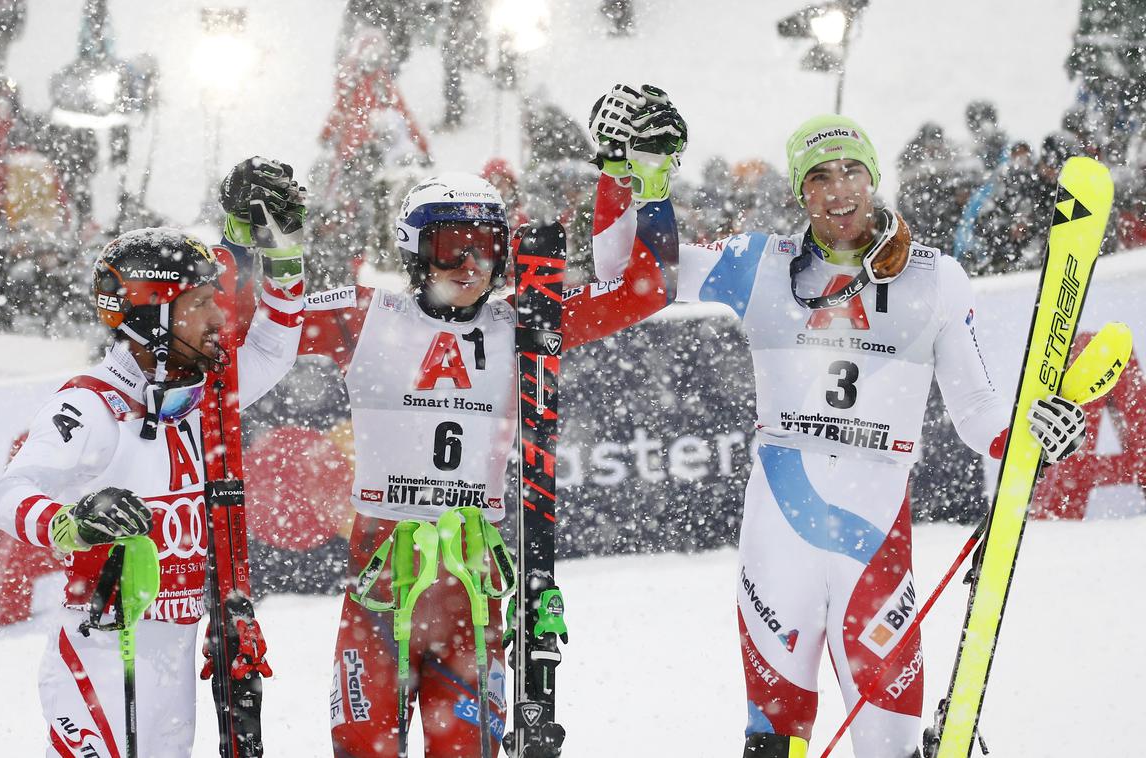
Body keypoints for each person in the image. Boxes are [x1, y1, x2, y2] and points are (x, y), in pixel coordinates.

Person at [588, 90, 1089, 757]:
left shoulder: (937, 277)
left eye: (851, 169)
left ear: (874, 177)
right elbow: (624, 275)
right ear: (802, 194)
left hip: (873, 541)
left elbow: (976, 410)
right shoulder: (759, 264)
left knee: (890, 746)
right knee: (773, 743)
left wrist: (1030, 434)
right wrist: (630, 178)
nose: (838, 189)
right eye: (818, 177)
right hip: (778, 538)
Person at [298, 168, 674, 756]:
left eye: (489, 245)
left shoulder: (527, 321)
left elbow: (646, 288)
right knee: (362, 748)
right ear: (414, 248)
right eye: (451, 244)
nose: (470, 262)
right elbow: (245, 322)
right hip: (381, 580)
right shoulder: (366, 314)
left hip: (472, 587)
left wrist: (634, 178)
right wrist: (249, 242)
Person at [0, 159, 307, 757]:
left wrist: (283, 259)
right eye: (199, 306)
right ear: (149, 319)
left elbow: (274, 345)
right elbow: (10, 493)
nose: (220, 318)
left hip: (173, 663)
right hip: (103, 658)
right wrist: (69, 521)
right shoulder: (93, 404)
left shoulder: (203, 396)